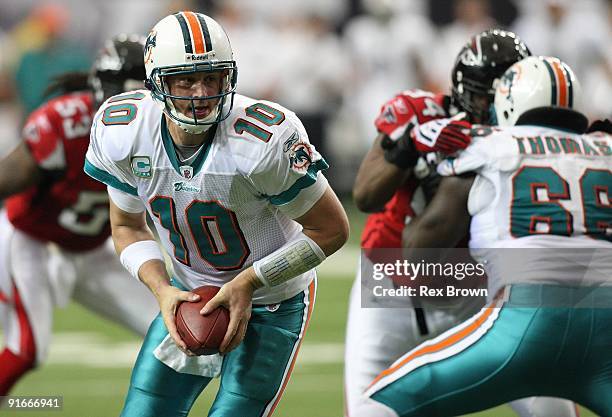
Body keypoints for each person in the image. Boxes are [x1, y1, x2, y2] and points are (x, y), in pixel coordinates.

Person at [84, 12, 348, 417]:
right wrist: (163, 290)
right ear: (157, 82)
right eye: (185, 80)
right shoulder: (124, 130)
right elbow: (126, 226)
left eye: (212, 77)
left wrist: (249, 282)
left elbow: (331, 229)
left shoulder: (263, 140)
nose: (201, 92)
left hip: (275, 297)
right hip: (189, 294)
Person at [354, 55, 612, 416]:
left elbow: (415, 248)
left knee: (378, 403)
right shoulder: (604, 145)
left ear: (508, 100)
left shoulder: (486, 143)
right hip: (396, 286)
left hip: (509, 308)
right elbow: (367, 195)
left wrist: (413, 144)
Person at [0, 34, 159, 395]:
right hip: (32, 240)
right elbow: (7, 179)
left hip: (94, 248)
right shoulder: (65, 123)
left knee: (169, 327)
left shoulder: (163, 131)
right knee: (27, 349)